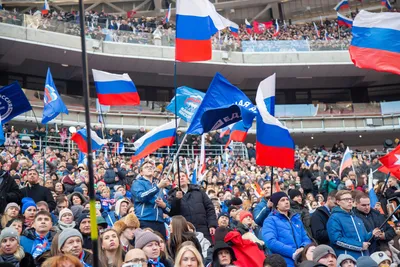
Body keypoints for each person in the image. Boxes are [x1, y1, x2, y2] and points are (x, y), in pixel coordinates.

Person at [327, 190, 381, 260]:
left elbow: (364, 238)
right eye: (346, 199)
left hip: (364, 258)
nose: (349, 201)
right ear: (338, 202)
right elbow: (336, 240)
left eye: (351, 199)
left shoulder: (357, 218)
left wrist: (372, 234)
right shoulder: (334, 218)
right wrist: (360, 245)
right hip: (348, 259)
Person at [262, 192, 311, 267]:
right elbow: (270, 242)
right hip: (284, 262)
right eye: (282, 200)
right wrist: (293, 252)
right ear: (276, 205)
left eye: (287, 199)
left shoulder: (296, 219)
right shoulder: (270, 220)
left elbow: (305, 237)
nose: (286, 202)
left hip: (302, 260)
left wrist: (303, 248)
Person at [169, 172, 217, 242]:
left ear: (187, 179)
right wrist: (176, 200)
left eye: (183, 176)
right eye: (178, 177)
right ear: (175, 182)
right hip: (185, 231)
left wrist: (212, 225)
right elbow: (172, 213)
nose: (181, 178)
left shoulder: (199, 191)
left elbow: (209, 208)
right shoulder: (172, 196)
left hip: (203, 229)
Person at [131, 160, 170, 239]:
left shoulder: (158, 186)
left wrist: (164, 205)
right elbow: (141, 196)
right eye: (146, 167)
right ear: (141, 172)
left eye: (151, 167)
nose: (149, 168)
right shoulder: (137, 183)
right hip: (144, 221)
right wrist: (158, 187)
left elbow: (169, 209)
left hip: (160, 222)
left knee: (161, 247)